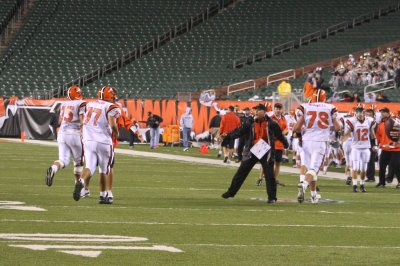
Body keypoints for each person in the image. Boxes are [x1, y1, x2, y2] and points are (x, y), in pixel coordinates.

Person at [221, 104, 288, 203]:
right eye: (255, 110)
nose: (256, 112)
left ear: (264, 112)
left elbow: (280, 135)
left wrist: (285, 144)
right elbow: (238, 131)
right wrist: (227, 139)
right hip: (253, 150)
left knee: (269, 175)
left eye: (259, 110)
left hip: (266, 149)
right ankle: (231, 192)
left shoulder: (272, 123)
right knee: (241, 172)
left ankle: (272, 197)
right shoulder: (249, 122)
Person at [73, 86, 120, 204]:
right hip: (103, 141)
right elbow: (112, 123)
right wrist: (117, 133)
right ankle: (103, 195)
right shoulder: (111, 107)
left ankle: (81, 182)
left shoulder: (89, 104)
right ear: (110, 96)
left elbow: (83, 118)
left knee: (89, 167)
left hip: (88, 140)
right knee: (104, 169)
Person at [294, 97, 341, 203]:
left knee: (308, 168)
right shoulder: (330, 107)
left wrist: (300, 138)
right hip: (320, 142)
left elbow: (297, 128)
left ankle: (314, 195)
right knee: (314, 170)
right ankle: (303, 185)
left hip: (306, 140)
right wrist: (329, 128)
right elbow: (338, 127)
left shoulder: (306, 106)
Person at [45, 85, 86, 187]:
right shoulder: (81, 103)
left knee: (63, 160)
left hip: (62, 134)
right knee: (78, 162)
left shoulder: (64, 103)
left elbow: (59, 121)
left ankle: (53, 168)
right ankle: (77, 185)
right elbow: (82, 121)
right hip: (74, 134)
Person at [341, 105, 376, 192]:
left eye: (361, 112)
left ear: (364, 113)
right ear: (355, 113)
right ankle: (355, 185)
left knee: (364, 169)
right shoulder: (352, 121)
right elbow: (347, 134)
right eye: (358, 112)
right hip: (355, 147)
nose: (359, 114)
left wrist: (374, 144)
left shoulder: (369, 121)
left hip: (366, 147)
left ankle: (362, 184)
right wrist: (341, 141)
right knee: (356, 168)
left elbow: (372, 134)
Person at [375, 107, 400, 188]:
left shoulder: (395, 122)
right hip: (385, 148)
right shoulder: (381, 124)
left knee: (395, 166)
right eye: (381, 112)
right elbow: (378, 135)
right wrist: (379, 143)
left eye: (384, 112)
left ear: (388, 113)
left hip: (395, 149)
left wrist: (395, 143)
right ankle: (382, 183)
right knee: (382, 166)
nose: (382, 113)